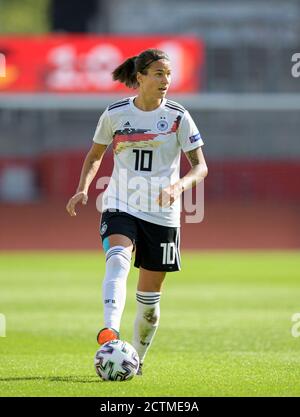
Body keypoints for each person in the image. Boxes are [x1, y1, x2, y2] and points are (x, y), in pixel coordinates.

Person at [66, 49, 208, 375]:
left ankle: (136, 361)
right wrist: (83, 188)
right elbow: (94, 156)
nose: (165, 81)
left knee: (150, 309)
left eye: (168, 74)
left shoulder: (178, 117)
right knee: (117, 257)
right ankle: (109, 331)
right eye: (158, 73)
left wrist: (178, 187)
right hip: (121, 203)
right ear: (140, 77)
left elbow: (200, 167)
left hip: (162, 214)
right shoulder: (115, 114)